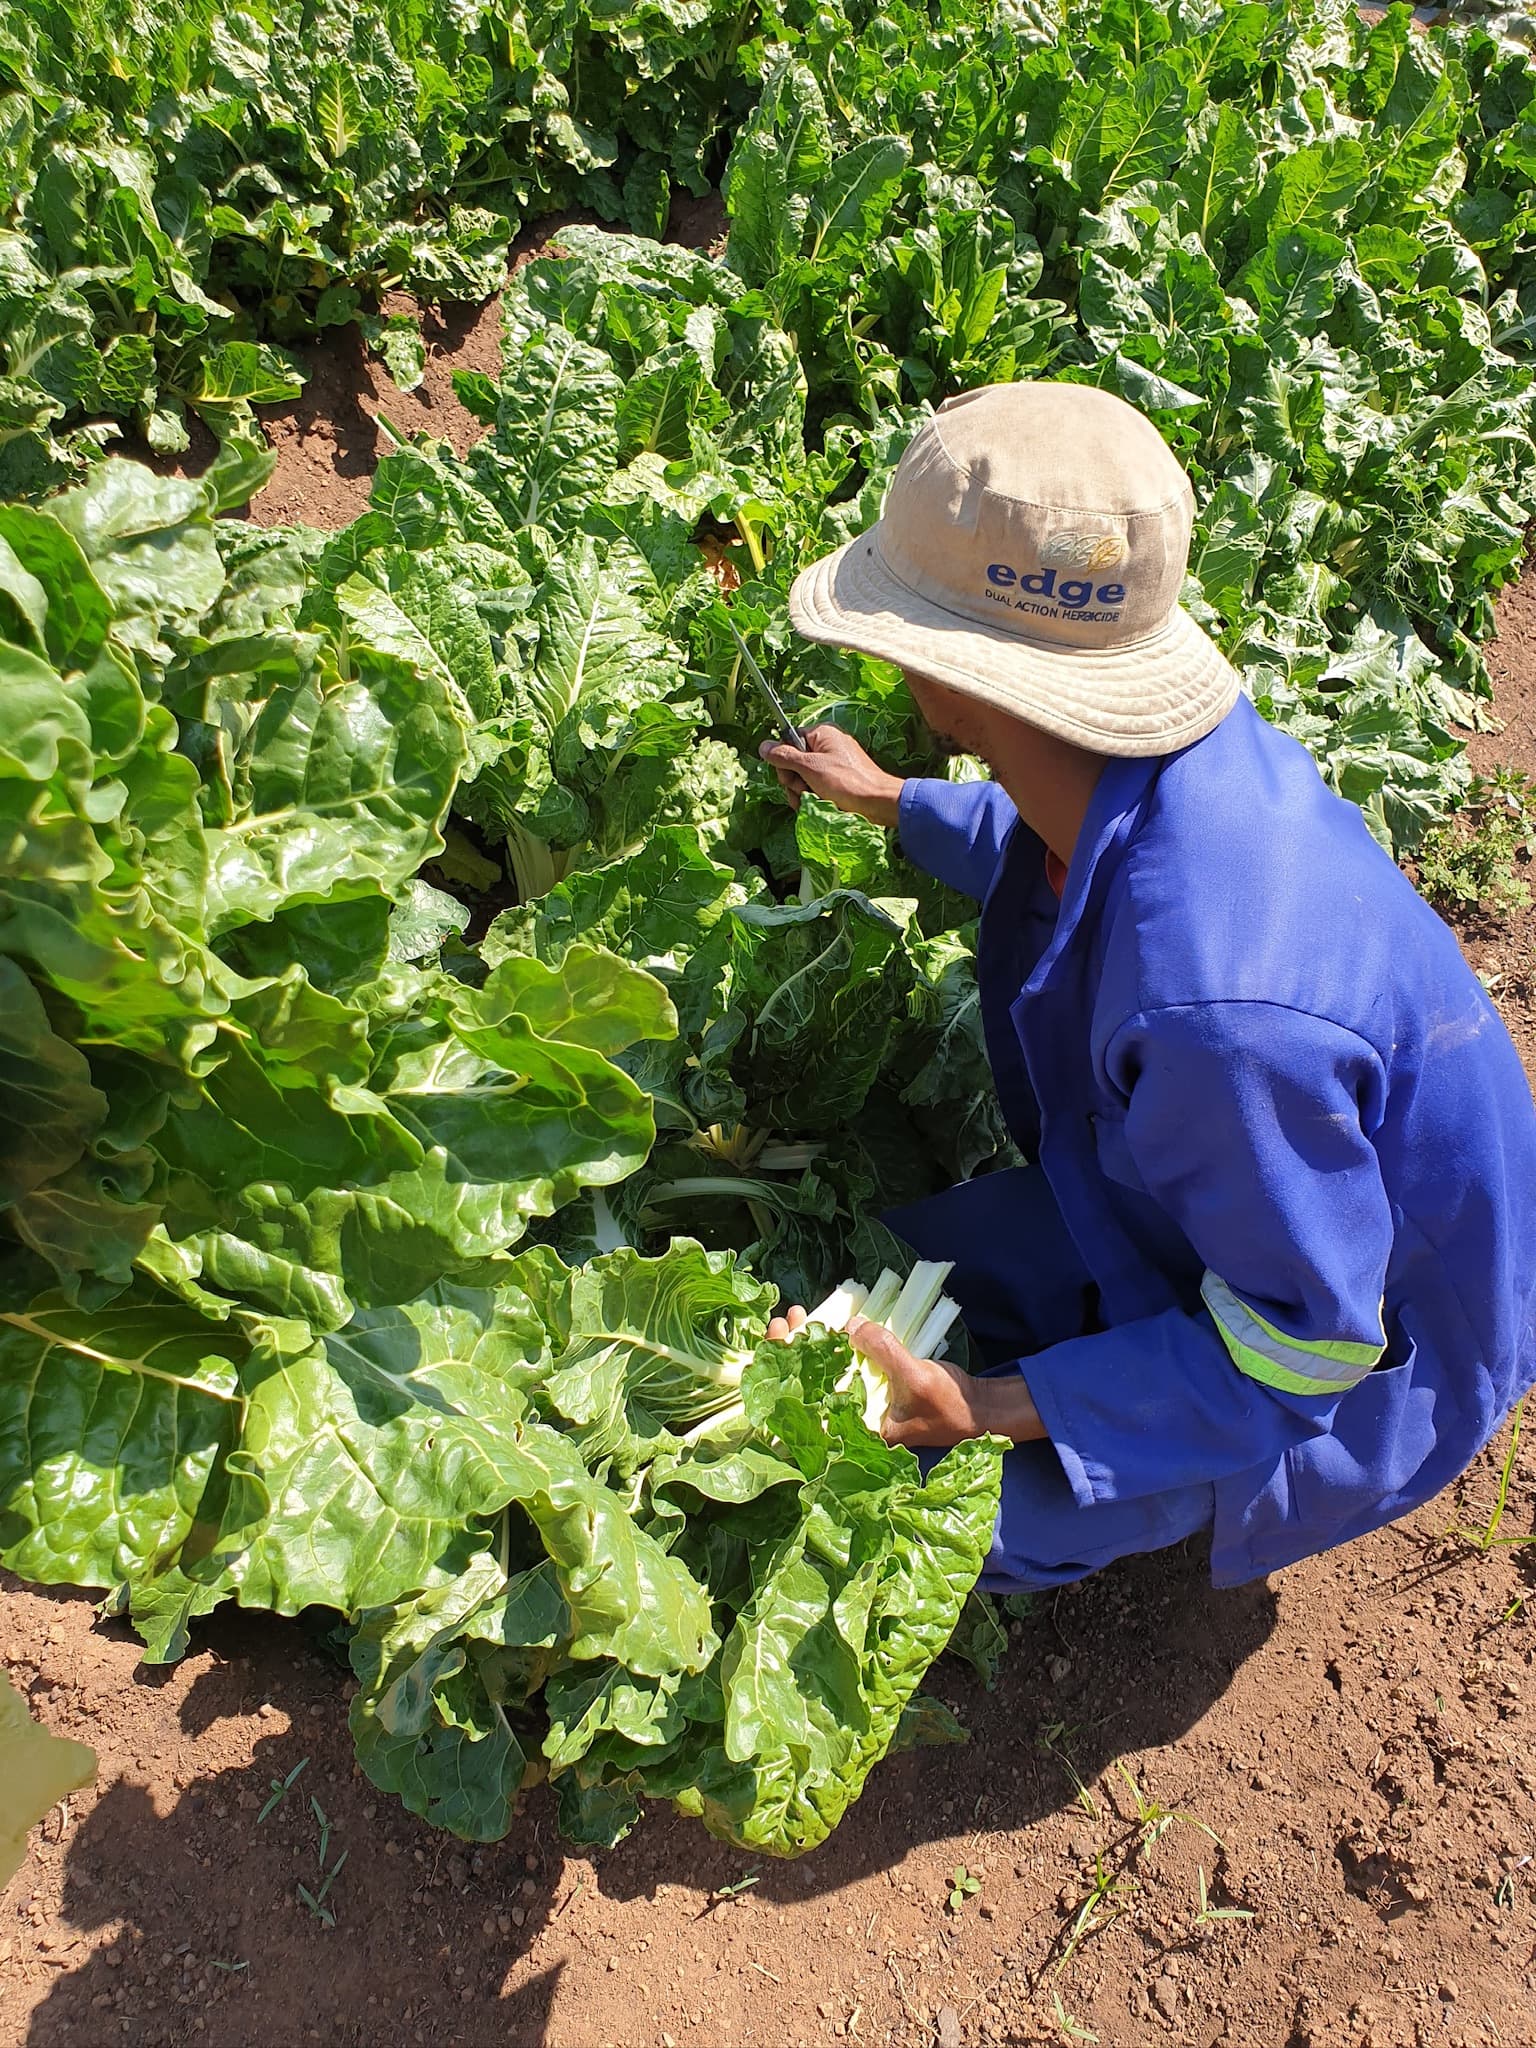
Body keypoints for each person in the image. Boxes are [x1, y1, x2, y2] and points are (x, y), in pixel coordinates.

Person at [759, 380, 1536, 1594]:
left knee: (934, 1519)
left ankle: (1181, 1470)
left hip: (1380, 1340)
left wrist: (988, 1403)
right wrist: (898, 803)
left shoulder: (1217, 1020)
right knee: (882, 1268)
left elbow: (1306, 1344)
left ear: (957, 685)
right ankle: (1099, 1343)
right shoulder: (1164, 765)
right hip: (1263, 1196)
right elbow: (1057, 836)